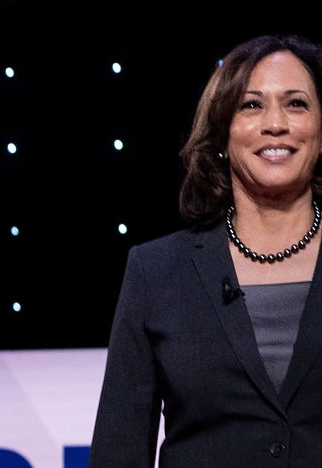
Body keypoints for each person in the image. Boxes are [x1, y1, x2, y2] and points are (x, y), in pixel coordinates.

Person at [89, 34, 322, 466]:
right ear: (221, 133)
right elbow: (117, 452)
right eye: (251, 105)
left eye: (296, 104)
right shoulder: (156, 272)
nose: (276, 123)